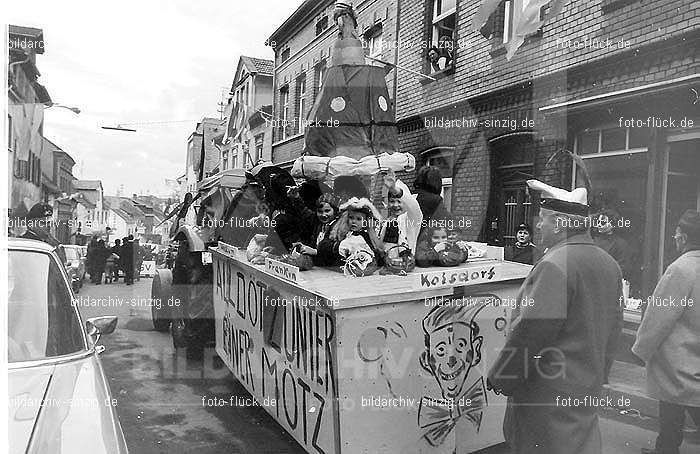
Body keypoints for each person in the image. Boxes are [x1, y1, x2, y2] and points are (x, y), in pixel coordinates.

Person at [487, 179, 623, 454]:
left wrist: (502, 376)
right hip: (584, 387)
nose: (538, 226)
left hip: (546, 395)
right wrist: (600, 374)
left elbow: (532, 332)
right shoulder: (610, 265)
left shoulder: (555, 264)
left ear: (561, 223)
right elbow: (614, 329)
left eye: (544, 220)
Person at [632, 209, 700, 454]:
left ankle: (666, 450)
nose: (674, 237)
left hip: (679, 357)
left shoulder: (680, 269)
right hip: (695, 354)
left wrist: (641, 349)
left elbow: (659, 316)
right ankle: (665, 449)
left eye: (676, 234)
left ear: (683, 237)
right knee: (673, 410)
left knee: (677, 404)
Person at [379, 169, 423, 256]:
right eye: (392, 201)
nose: (395, 205)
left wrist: (395, 189)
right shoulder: (386, 221)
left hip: (405, 265)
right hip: (387, 265)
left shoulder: (412, 219)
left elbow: (413, 205)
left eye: (399, 201)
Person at [336, 197, 384, 276]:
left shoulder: (367, 237)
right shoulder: (345, 235)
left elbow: (376, 254)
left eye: (358, 219)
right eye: (351, 218)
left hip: (366, 270)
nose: (354, 221)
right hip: (347, 270)